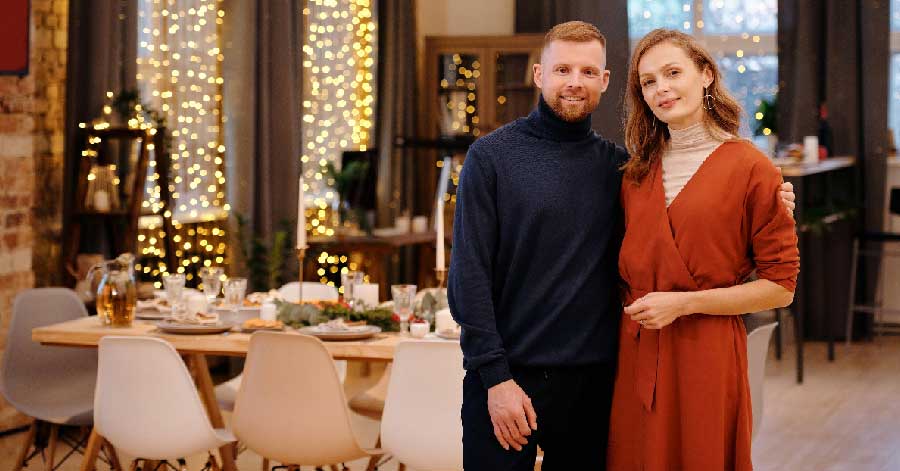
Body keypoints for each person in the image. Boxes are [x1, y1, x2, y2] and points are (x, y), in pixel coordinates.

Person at [448, 22, 794, 470]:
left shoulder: (620, 168)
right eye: (563, 70)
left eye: (589, 71)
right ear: (539, 75)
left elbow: (736, 242)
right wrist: (495, 377)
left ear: (605, 82)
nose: (575, 82)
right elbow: (469, 275)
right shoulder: (498, 157)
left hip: (599, 381)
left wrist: (775, 199)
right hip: (512, 380)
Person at [607, 28, 800, 471]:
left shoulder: (753, 168)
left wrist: (685, 303)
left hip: (706, 354)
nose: (662, 89)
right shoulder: (635, 175)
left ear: (707, 75)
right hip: (636, 354)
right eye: (649, 82)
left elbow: (780, 288)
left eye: (673, 72)